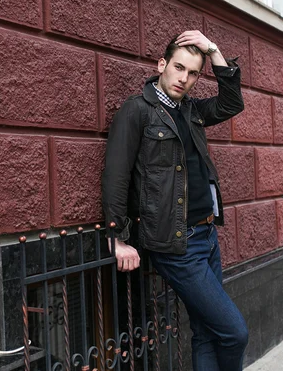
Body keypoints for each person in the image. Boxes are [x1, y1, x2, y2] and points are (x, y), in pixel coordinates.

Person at [102, 30, 248, 371]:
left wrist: (214, 50)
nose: (184, 79)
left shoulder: (192, 111)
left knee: (206, 333)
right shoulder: (136, 111)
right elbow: (116, 177)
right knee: (234, 332)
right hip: (176, 244)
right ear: (162, 64)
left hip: (207, 237)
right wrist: (116, 238)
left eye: (193, 73)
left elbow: (231, 103)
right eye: (179, 68)